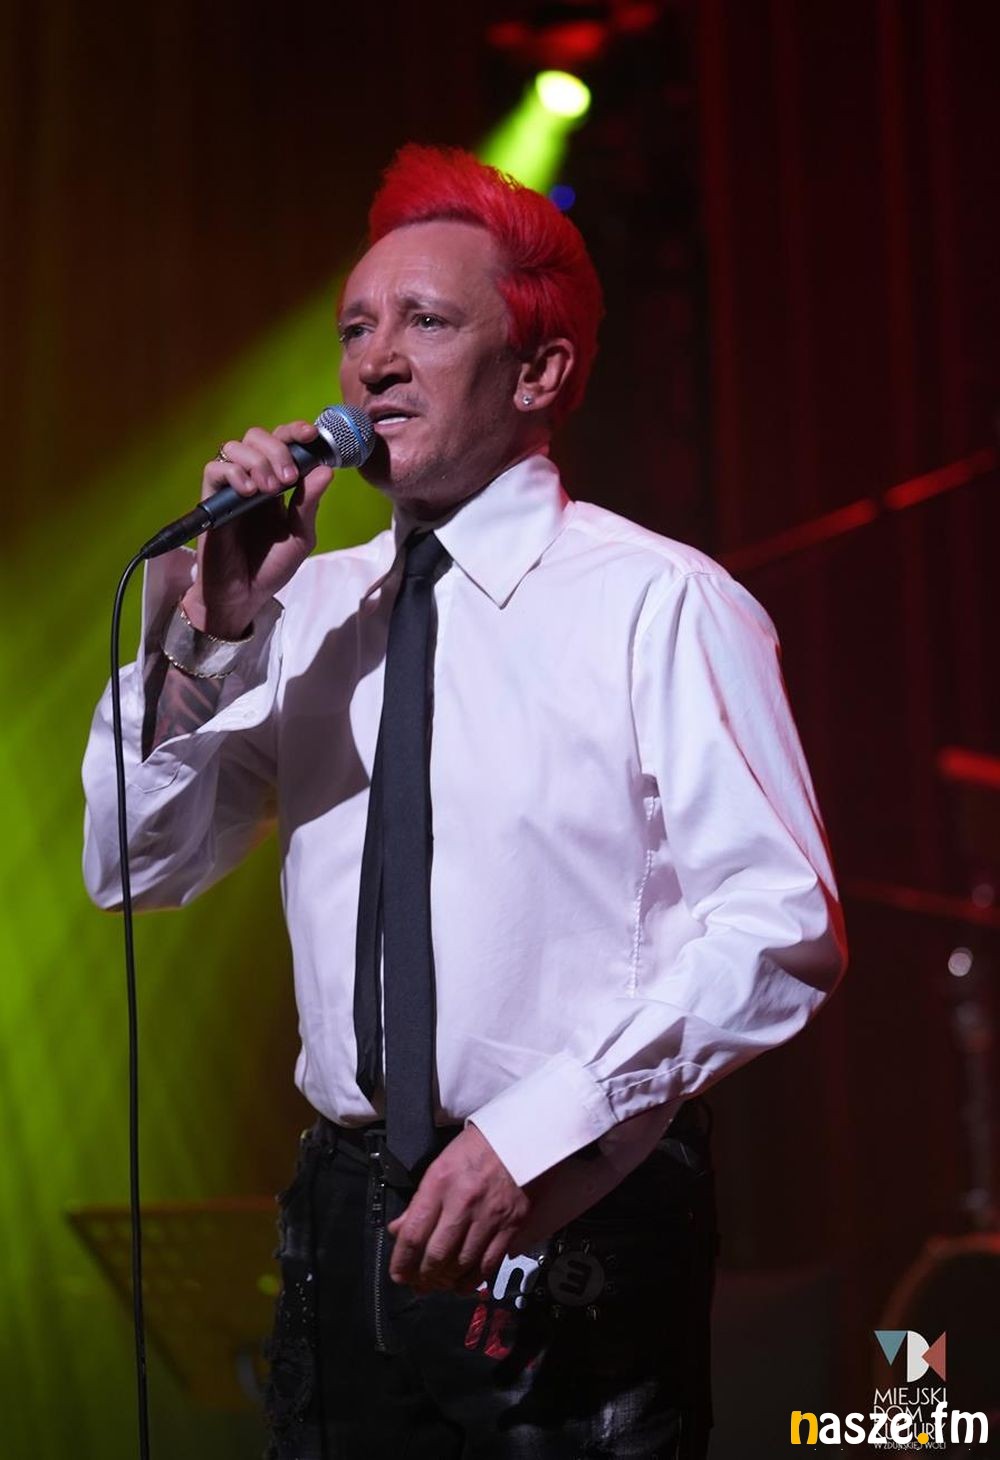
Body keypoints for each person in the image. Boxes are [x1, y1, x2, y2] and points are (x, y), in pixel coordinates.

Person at [82, 145, 846, 1459]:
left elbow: (783, 926)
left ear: (539, 373)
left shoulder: (656, 601)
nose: (375, 361)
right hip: (343, 1219)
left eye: (426, 323)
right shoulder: (302, 609)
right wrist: (208, 633)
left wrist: (533, 1136)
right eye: (355, 329)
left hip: (571, 1205)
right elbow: (136, 869)